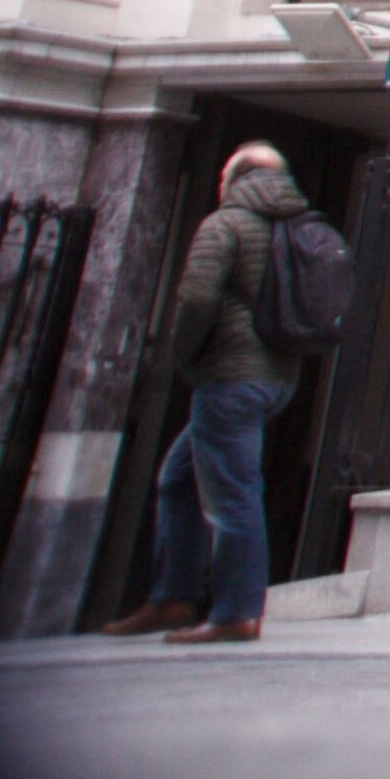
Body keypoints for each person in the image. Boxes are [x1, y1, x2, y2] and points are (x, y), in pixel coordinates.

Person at [100, 145, 311, 644]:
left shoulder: (227, 223)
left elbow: (197, 296)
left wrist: (183, 354)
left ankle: (236, 611)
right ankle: (173, 595)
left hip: (231, 376)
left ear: (233, 179)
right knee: (179, 478)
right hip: (277, 376)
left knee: (233, 493)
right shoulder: (297, 224)